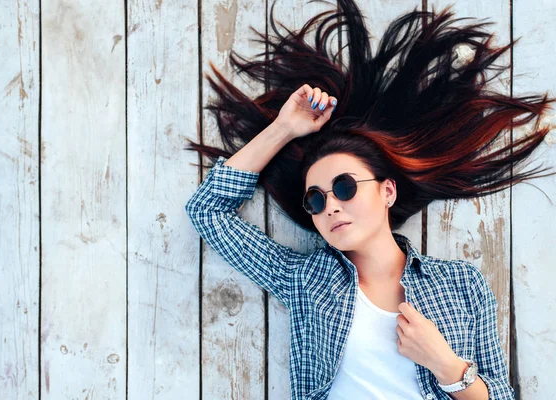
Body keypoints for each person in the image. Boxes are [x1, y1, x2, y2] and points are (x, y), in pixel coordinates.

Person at [184, 0, 555, 398]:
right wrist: (284, 129)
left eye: (344, 187)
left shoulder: (461, 284)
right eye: (316, 200)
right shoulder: (306, 281)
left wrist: (446, 365)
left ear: (387, 191)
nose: (332, 206)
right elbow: (207, 211)